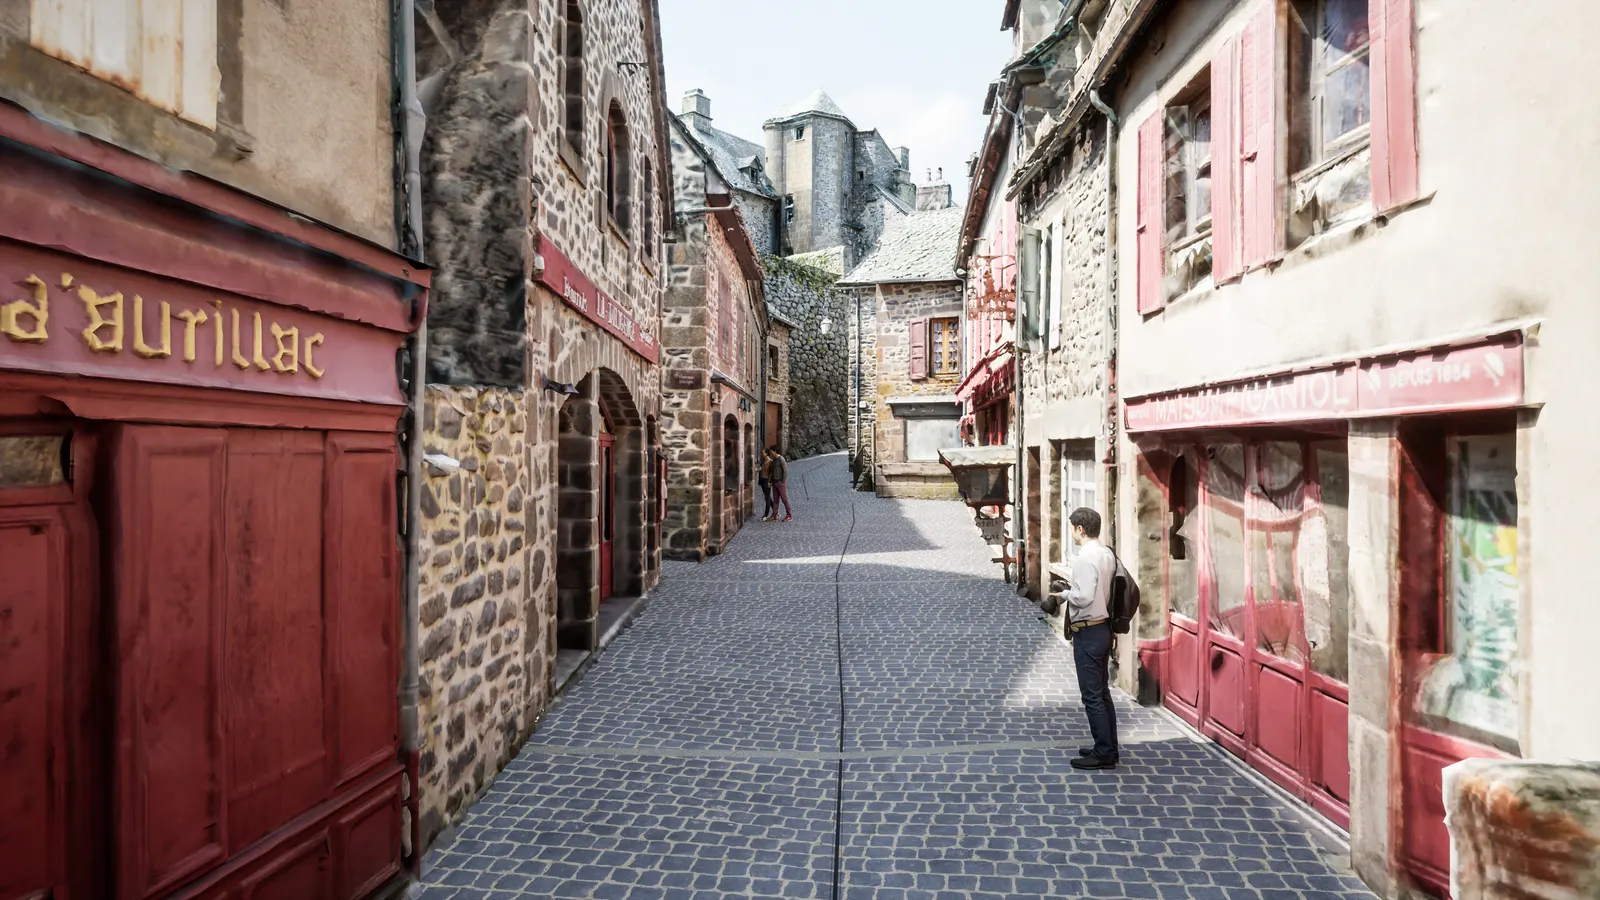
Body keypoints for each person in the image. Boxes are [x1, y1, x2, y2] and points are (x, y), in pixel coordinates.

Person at [1063, 507, 1119, 769]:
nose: (1072, 532)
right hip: (1103, 627)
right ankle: (1108, 746)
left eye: (1072, 527)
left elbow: (1084, 597)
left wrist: (1065, 595)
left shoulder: (1085, 557)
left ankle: (1104, 753)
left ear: (1080, 529)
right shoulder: (1106, 552)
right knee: (1102, 692)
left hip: (1088, 629)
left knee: (1092, 696)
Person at [765, 446, 793, 522]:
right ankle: (774, 515)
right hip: (774, 482)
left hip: (780, 482)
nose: (770, 452)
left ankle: (789, 515)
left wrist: (782, 481)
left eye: (771, 451)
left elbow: (785, 471)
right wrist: (770, 481)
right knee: (775, 499)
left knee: (784, 499)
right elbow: (772, 472)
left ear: (775, 451)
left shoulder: (781, 459)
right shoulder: (774, 460)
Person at [758, 450, 776, 521]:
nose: (761, 454)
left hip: (766, 480)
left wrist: (770, 481)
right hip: (762, 480)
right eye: (761, 453)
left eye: (762, 453)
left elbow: (771, 473)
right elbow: (760, 470)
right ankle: (776, 511)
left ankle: (766, 514)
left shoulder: (771, 462)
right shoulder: (762, 461)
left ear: (766, 453)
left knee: (767, 498)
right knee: (767, 496)